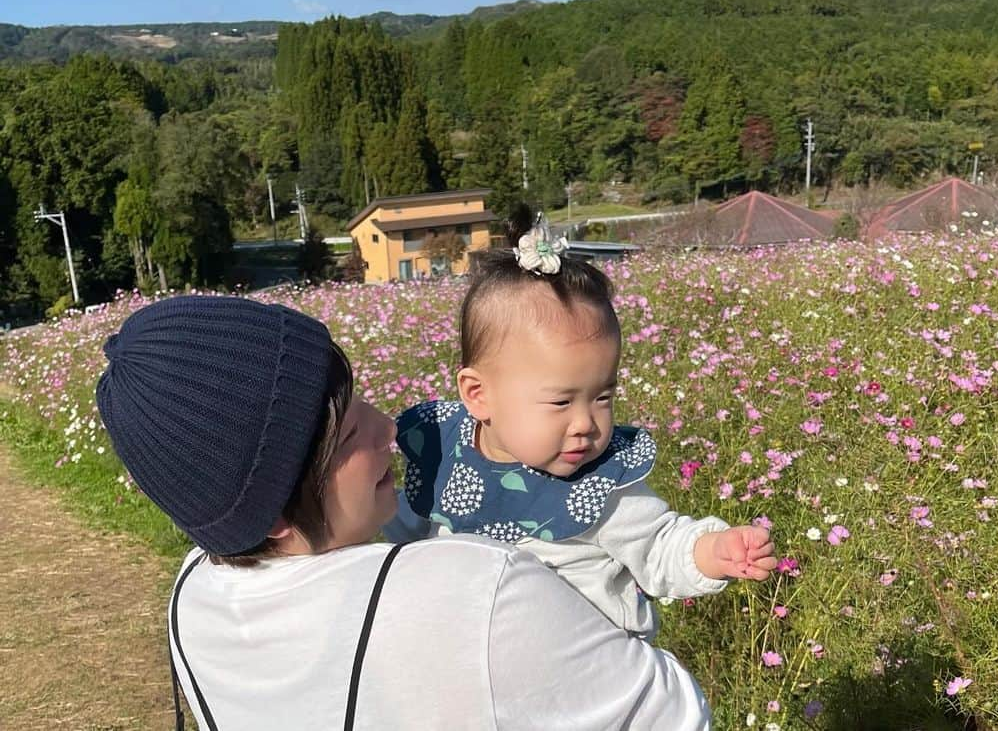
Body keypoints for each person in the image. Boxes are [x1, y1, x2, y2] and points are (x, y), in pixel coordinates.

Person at [95, 295, 713, 730]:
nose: (389, 428)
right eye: (350, 436)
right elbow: (672, 714)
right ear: (276, 511)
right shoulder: (476, 593)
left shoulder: (192, 595)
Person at [387, 214, 777, 638]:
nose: (585, 424)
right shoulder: (444, 452)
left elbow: (660, 545)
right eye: (560, 401)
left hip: (595, 672)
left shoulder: (598, 483)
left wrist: (712, 550)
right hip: (481, 666)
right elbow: (395, 536)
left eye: (603, 397)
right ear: (479, 395)